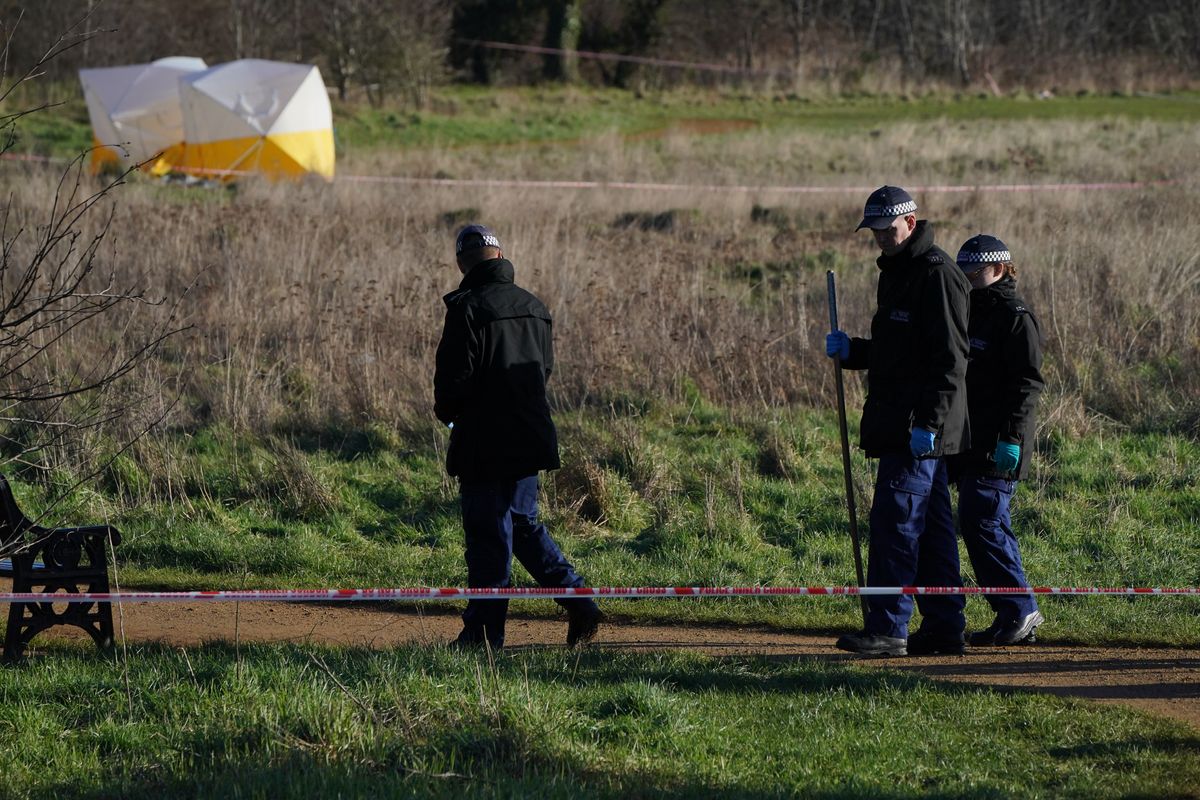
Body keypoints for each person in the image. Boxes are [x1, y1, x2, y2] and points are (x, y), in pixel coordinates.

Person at [434, 224, 602, 650]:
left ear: (461, 263)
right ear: (501, 255)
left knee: (490, 534)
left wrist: (453, 418)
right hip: (529, 436)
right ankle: (578, 598)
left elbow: (452, 383)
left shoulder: (467, 308)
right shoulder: (535, 305)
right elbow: (542, 371)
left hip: (485, 443)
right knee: (523, 526)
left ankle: (482, 637)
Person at [826, 186, 971, 657]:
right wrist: (855, 352)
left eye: (888, 230)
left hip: (919, 429)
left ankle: (888, 628)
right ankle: (946, 626)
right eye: (874, 232)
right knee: (931, 530)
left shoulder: (938, 275)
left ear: (911, 221)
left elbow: (951, 360)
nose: (881, 239)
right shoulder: (897, 272)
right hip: (900, 422)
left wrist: (928, 423)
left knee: (896, 524)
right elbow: (898, 351)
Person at [952, 234, 1046, 646]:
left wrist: (1012, 438)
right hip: (969, 437)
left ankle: (1020, 609)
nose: (970, 280)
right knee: (981, 522)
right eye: (966, 274)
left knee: (984, 519)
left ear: (999, 268)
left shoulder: (1015, 316)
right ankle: (1012, 612)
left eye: (975, 273)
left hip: (1000, 442)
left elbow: (1026, 386)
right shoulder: (970, 310)